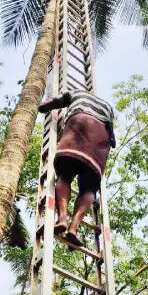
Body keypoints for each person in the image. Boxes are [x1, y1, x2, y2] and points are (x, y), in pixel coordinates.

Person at [38, 90, 115, 247]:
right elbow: (112, 140)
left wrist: (40, 107)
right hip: (100, 142)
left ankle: (62, 219)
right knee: (88, 190)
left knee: (64, 177)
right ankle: (73, 229)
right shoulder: (108, 107)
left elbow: (47, 105)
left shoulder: (77, 93)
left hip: (80, 124)